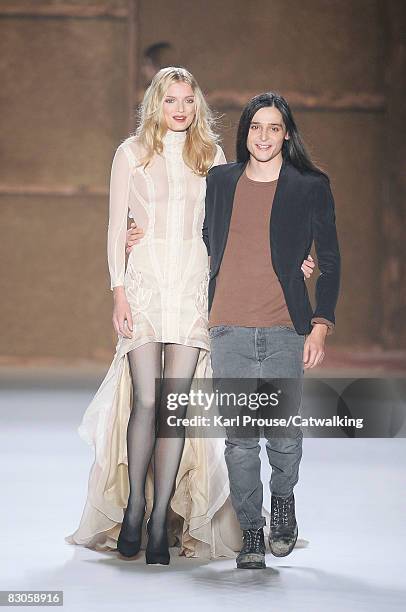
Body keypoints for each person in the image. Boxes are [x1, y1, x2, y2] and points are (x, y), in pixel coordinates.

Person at [127, 91, 340, 571]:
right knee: (240, 440)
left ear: (287, 135)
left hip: (286, 326)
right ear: (245, 133)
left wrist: (321, 324)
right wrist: (131, 231)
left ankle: (282, 504)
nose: (263, 137)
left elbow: (329, 259)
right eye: (255, 127)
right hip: (227, 329)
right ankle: (251, 532)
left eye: (274, 128)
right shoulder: (221, 181)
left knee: (283, 434)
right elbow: (191, 231)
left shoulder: (310, 185)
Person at [65, 66, 244, 565]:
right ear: (156, 104)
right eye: (171, 100)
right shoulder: (131, 153)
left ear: (198, 104)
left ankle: (162, 518)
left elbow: (230, 227)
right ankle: (136, 506)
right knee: (145, 397)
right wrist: (118, 292)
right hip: (144, 284)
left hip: (190, 284)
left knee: (172, 403)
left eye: (188, 100)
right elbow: (112, 226)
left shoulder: (211, 155)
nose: (181, 109)